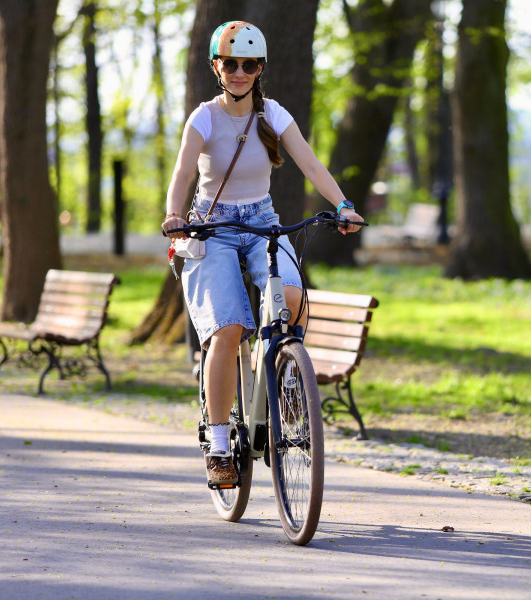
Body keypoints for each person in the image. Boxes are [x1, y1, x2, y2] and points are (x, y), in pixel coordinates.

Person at [162, 21, 363, 485]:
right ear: (216, 66)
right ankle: (218, 446)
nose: (239, 72)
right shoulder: (204, 118)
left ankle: (285, 382)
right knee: (228, 328)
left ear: (260, 69)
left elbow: (310, 163)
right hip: (211, 227)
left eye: (249, 65)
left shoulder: (273, 114)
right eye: (231, 64)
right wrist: (174, 214)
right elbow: (183, 173)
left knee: (292, 297)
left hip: (262, 222)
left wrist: (343, 206)